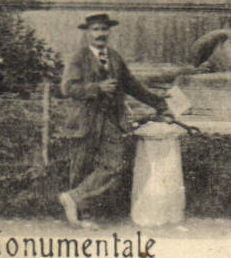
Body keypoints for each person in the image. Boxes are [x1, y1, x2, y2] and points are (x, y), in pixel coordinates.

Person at [57, 13, 170, 228]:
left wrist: (159, 103)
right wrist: (96, 88)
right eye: (96, 30)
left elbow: (132, 85)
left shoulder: (115, 58)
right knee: (82, 165)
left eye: (103, 29)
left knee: (115, 163)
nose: (100, 34)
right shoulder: (78, 58)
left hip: (110, 120)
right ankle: (81, 217)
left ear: (109, 32)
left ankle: (74, 197)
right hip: (85, 119)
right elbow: (67, 88)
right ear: (87, 33)